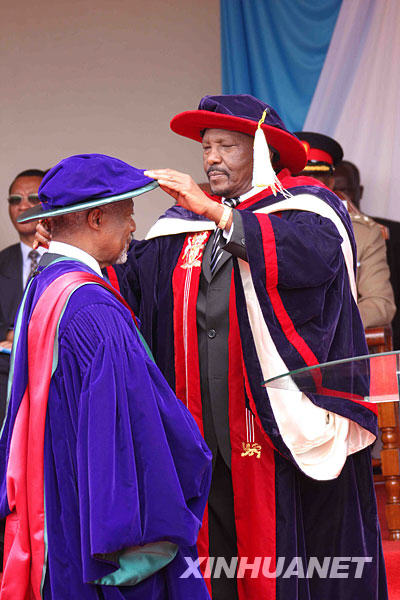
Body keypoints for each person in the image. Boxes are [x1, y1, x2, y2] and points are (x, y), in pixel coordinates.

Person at [114, 96, 385, 600]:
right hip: (201, 418)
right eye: (206, 147)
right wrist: (79, 245)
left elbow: (312, 260)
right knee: (216, 548)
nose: (211, 158)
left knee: (297, 552)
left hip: (281, 420)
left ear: (261, 151)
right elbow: (136, 288)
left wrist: (220, 214)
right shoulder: (183, 223)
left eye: (226, 146)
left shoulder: (307, 208)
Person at [0, 154, 212, 599]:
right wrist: (194, 448)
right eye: (127, 213)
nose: (133, 226)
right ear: (96, 218)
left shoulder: (45, 283)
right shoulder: (94, 310)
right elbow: (133, 431)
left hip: (60, 494)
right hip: (99, 523)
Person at [295, 133, 396, 330]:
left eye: (316, 179)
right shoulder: (262, 225)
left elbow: (380, 304)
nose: (307, 187)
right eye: (298, 179)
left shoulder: (363, 234)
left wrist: (326, 324)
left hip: (334, 341)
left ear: (330, 183)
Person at [0, 169, 47, 421]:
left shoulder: (70, 259)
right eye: (15, 199)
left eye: (33, 198)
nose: (23, 206)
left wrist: (16, 335)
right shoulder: (2, 262)